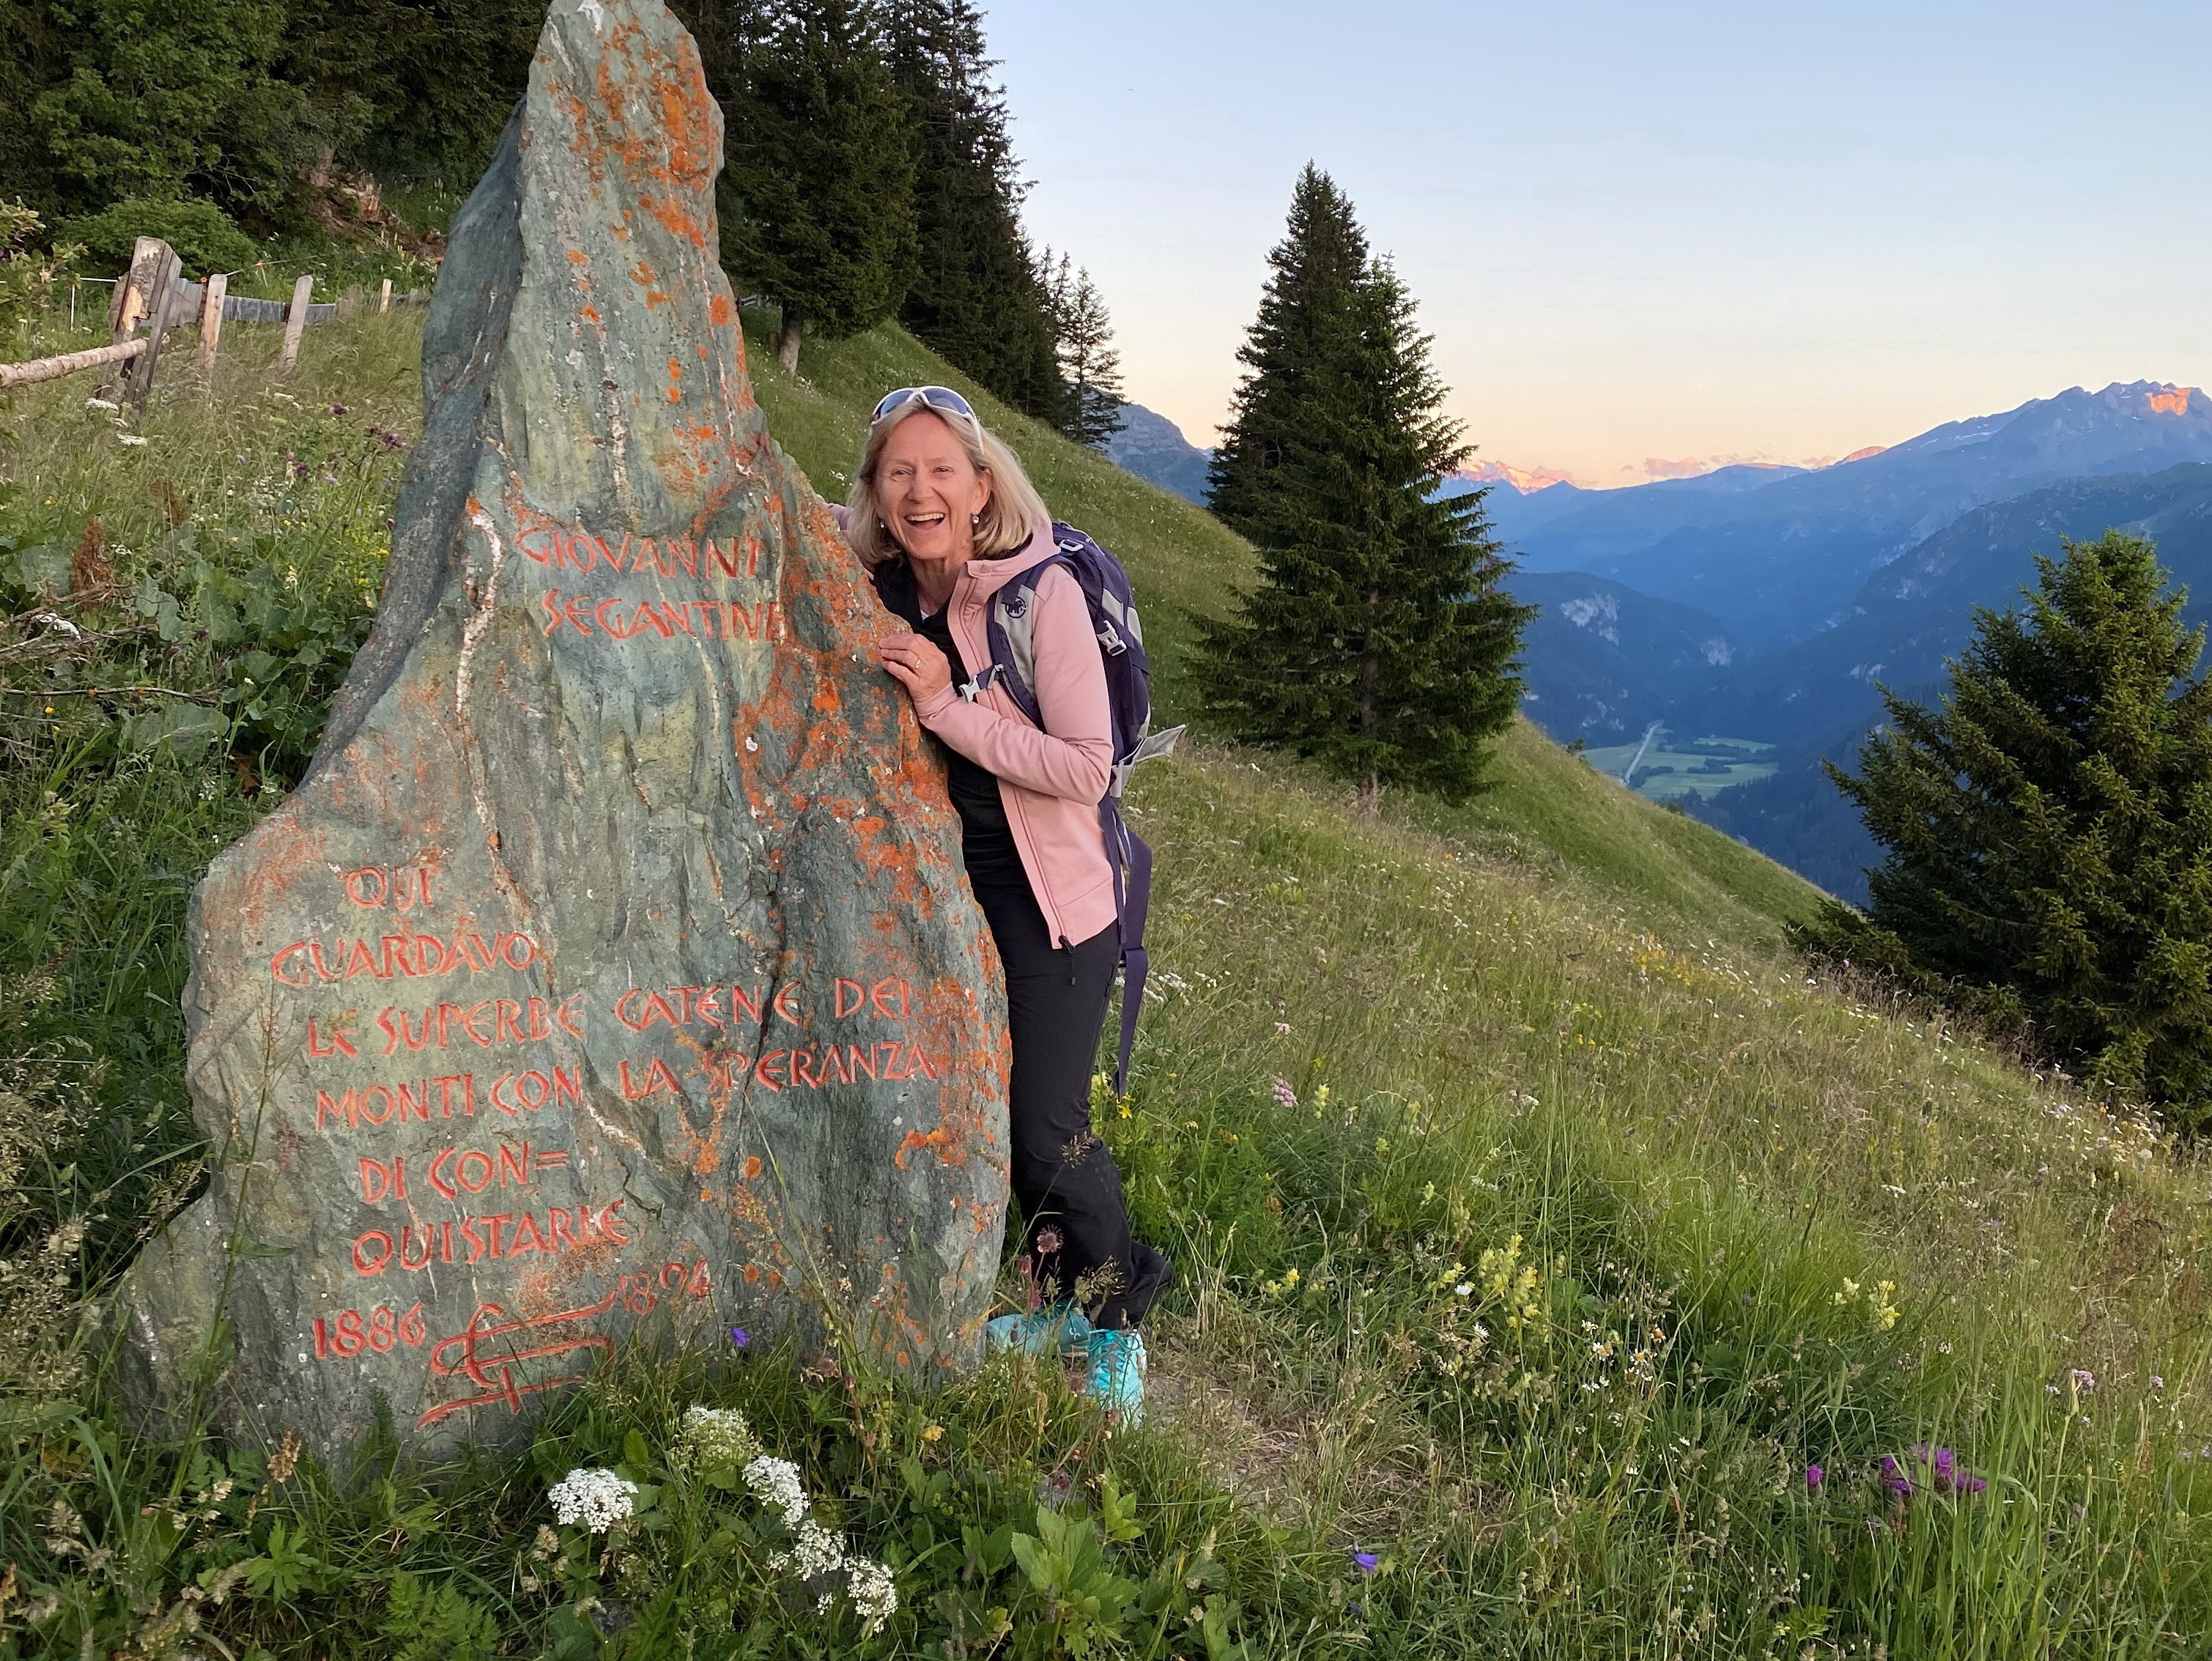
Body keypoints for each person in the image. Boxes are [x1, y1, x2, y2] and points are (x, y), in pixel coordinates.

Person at [843, 384, 1170, 1418]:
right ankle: (1066, 1301)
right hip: (951, 893)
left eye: (943, 470)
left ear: (984, 488)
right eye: (899, 472)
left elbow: (1088, 766)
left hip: (1057, 905)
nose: (921, 490)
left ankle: (1116, 1321)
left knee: (1046, 1129)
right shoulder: (890, 587)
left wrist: (946, 704)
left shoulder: (1039, 597)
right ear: (876, 494)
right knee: (991, 1118)